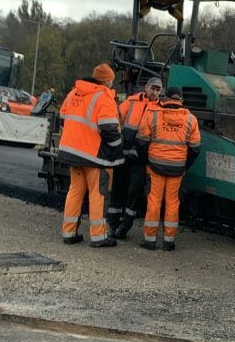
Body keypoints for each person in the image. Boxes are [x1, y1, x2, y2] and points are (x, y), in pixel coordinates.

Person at [57, 63, 123, 248]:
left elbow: (63, 119)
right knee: (98, 194)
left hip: (71, 152)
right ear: (108, 80)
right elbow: (110, 129)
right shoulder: (104, 97)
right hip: (95, 156)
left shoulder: (74, 93)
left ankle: (69, 233)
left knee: (75, 191)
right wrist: (117, 150)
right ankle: (98, 236)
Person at [137, 87, 201, 251]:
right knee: (172, 203)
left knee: (154, 201)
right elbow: (195, 148)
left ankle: (150, 240)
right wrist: (184, 166)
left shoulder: (153, 115)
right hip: (177, 168)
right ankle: (169, 241)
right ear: (181, 100)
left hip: (155, 165)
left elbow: (142, 141)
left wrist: (146, 162)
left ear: (165, 99)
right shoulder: (191, 120)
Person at [111, 77, 163, 239]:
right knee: (118, 189)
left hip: (141, 159)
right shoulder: (131, 102)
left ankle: (125, 226)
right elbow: (116, 119)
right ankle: (113, 224)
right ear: (146, 87)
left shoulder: (161, 109)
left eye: (158, 90)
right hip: (123, 153)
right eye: (152, 88)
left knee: (134, 191)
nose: (154, 92)